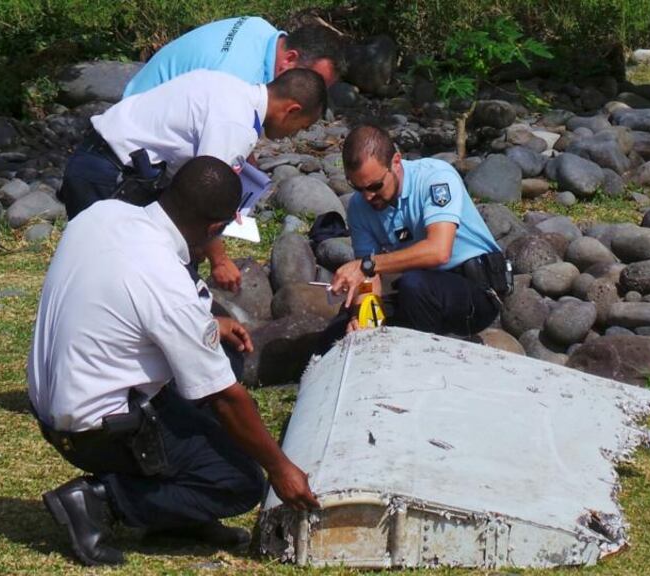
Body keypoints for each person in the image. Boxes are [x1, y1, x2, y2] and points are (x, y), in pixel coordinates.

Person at [30, 157, 319, 566]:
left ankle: (177, 515)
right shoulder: (164, 279)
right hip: (94, 429)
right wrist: (280, 467)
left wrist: (211, 324)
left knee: (223, 361)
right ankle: (99, 501)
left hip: (53, 402)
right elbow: (226, 399)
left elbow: (125, 301)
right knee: (237, 481)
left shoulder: (103, 213)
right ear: (214, 228)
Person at [57, 67, 327, 291]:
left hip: (95, 158)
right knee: (111, 277)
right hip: (111, 175)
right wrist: (219, 260)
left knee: (98, 269)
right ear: (292, 109)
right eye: (300, 127)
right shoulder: (236, 124)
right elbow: (205, 197)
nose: (293, 135)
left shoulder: (228, 85)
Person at [323, 124, 505, 344]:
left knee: (414, 285)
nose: (368, 196)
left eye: (375, 186)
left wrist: (367, 265)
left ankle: (423, 359)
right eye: (358, 188)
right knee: (340, 330)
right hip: (423, 291)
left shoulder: (435, 178)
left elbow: (438, 252)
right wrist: (364, 316)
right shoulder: (359, 207)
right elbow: (368, 279)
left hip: (476, 292)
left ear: (396, 163)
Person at [123, 17, 345, 97]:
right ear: (289, 59)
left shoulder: (260, 28)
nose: (315, 96)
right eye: (315, 83)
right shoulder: (239, 80)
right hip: (136, 135)